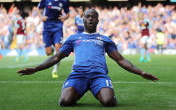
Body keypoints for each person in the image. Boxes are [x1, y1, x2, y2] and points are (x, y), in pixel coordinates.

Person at [17, 9, 159, 107]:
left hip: (99, 76)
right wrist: (36, 69)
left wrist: (140, 72)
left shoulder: (104, 39)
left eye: (93, 16)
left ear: (97, 20)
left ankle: (101, 90)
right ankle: (80, 89)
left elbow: (120, 59)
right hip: (78, 75)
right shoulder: (73, 38)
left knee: (108, 102)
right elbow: (56, 57)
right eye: (87, 16)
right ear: (83, 20)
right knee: (65, 102)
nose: (90, 18)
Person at [37, 0, 69, 78]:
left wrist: (65, 17)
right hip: (47, 27)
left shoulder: (63, 1)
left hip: (58, 26)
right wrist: (41, 17)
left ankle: (55, 70)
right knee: (49, 52)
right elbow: (38, 9)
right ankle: (49, 52)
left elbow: (67, 13)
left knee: (58, 48)